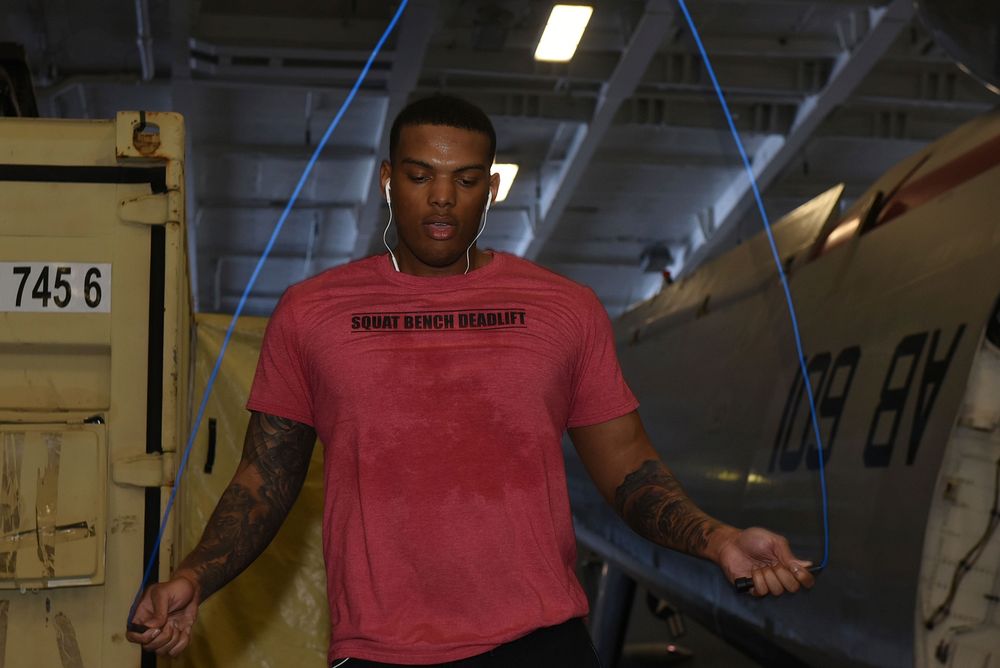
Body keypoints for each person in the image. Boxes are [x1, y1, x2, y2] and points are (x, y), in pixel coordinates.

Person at [126, 95, 814, 666]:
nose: (443, 200)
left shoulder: (563, 308)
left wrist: (717, 538)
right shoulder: (313, 313)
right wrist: (195, 574)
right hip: (380, 650)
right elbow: (263, 477)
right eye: (422, 176)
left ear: (491, 186)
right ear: (388, 180)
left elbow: (629, 468)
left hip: (538, 643)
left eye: (465, 180)